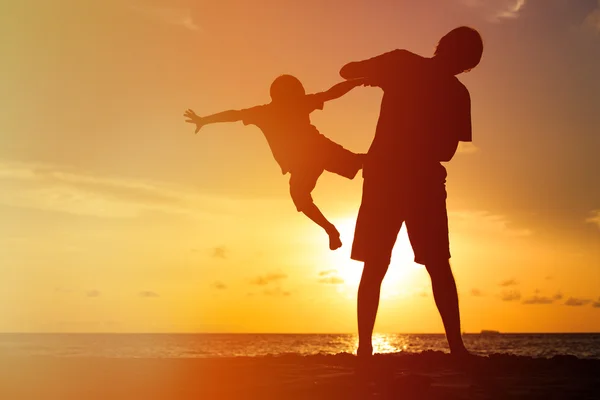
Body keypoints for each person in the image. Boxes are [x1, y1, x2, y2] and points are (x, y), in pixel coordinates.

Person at [340, 27, 484, 359]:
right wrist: (372, 72)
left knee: (380, 264)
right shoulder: (455, 91)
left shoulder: (402, 63)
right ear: (468, 63)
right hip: (416, 181)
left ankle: (365, 349)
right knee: (435, 265)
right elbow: (447, 151)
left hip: (392, 178)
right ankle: (456, 349)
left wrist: (370, 72)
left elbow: (347, 70)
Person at [184, 75, 366, 250]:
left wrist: (357, 82)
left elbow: (331, 93)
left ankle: (330, 229)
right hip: (311, 156)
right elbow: (234, 115)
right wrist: (205, 120)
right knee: (302, 195)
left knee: (350, 166)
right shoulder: (273, 110)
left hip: (314, 154)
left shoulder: (276, 109)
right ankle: (330, 229)